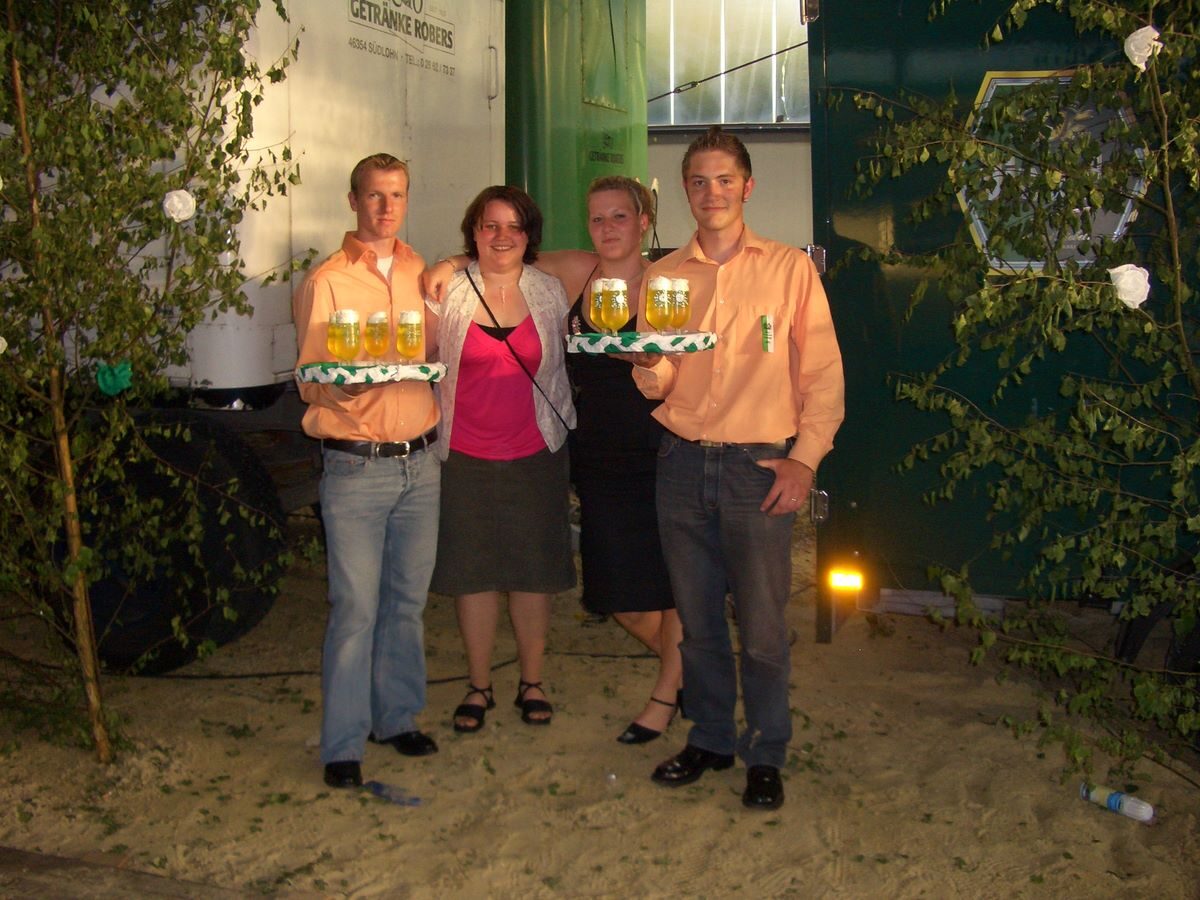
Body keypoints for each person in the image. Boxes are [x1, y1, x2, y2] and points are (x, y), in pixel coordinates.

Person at [424, 176, 684, 745]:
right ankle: (693, 668)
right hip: (597, 456)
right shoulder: (575, 273)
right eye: (598, 218)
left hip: (662, 447)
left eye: (620, 216)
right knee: (619, 596)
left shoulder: (671, 283)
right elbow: (500, 254)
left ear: (645, 221)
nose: (608, 227)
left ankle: (675, 682)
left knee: (673, 582)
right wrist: (449, 261)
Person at [631, 127, 844, 811]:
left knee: (763, 627)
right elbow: (660, 382)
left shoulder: (789, 270)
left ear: (748, 187)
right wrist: (647, 362)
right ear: (686, 190)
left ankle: (766, 750)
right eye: (699, 181)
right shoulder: (663, 276)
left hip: (758, 468)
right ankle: (712, 738)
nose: (712, 192)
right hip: (680, 464)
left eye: (724, 179)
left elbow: (822, 375)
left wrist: (803, 461)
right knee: (697, 623)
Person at [293, 153, 442, 790]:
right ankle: (343, 745)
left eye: (397, 195)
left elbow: (433, 349)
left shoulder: (417, 270)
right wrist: (341, 388)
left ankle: (396, 718)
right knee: (354, 608)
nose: (386, 207)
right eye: (375, 195)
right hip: (357, 467)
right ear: (353, 201)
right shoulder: (327, 281)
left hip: (421, 464)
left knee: (406, 603)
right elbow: (309, 379)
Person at [426, 185, 576, 733]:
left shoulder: (550, 290)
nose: (502, 236)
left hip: (536, 452)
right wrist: (450, 263)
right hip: (463, 454)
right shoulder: (447, 291)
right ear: (474, 231)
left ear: (529, 234)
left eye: (514, 226)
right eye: (490, 225)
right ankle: (479, 685)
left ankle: (531, 681)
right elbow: (419, 354)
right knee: (475, 576)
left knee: (533, 575)